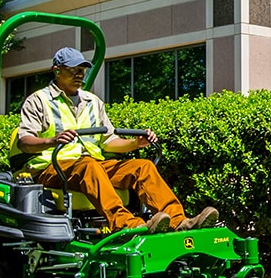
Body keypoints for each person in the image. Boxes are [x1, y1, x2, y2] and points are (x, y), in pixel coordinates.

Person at [14, 47, 217, 233]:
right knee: (88, 166)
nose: (79, 75)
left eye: (82, 70)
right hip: (53, 168)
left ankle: (178, 221)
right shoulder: (38, 100)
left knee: (142, 167)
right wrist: (52, 140)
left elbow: (108, 141)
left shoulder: (93, 102)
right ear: (57, 71)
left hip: (94, 166)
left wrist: (135, 143)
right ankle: (125, 223)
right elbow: (24, 141)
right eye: (73, 70)